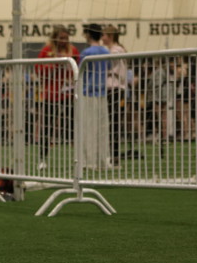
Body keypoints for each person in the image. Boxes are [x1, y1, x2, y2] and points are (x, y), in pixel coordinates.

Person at [35, 25, 79, 170]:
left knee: (73, 126)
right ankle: (42, 159)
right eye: (61, 38)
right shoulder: (47, 51)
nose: (63, 41)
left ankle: (78, 159)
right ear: (55, 37)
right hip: (51, 95)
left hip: (68, 94)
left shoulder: (73, 50)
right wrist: (53, 65)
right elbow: (38, 69)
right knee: (47, 128)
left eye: (66, 38)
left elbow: (77, 68)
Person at [78, 23, 111, 170]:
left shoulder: (86, 52)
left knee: (89, 129)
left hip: (88, 93)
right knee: (103, 129)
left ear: (88, 35)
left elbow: (79, 72)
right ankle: (103, 160)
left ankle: (89, 162)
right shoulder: (105, 51)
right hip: (102, 93)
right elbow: (109, 67)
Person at [102, 25, 128, 166]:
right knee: (113, 123)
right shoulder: (117, 49)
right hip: (114, 88)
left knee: (114, 123)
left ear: (110, 36)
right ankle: (112, 155)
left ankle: (114, 156)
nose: (102, 38)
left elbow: (108, 67)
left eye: (104, 35)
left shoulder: (115, 51)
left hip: (115, 88)